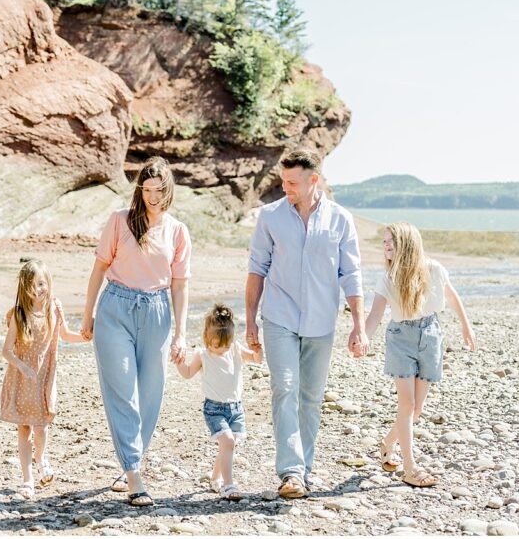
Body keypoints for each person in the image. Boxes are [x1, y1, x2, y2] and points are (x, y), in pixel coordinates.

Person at [245, 149, 366, 500]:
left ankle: (304, 470)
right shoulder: (270, 217)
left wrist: (358, 325)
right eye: (283, 181)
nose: (285, 188)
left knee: (311, 398)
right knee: (284, 387)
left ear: (314, 180)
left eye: (292, 182)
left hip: (321, 320)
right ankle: (291, 472)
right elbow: (257, 268)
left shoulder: (340, 220)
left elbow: (351, 274)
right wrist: (250, 320)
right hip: (279, 315)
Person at [81, 157, 192, 507]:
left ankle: (131, 458)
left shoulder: (177, 231)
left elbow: (180, 286)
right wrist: (87, 316)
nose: (152, 197)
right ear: (139, 190)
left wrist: (180, 334)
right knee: (123, 392)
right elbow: (98, 271)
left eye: (159, 191)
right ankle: (133, 474)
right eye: (146, 191)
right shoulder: (119, 221)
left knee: (150, 396)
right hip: (115, 309)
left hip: (157, 313)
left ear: (168, 189)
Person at [364, 222, 477, 487]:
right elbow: (376, 315)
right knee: (406, 405)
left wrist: (466, 326)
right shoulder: (388, 278)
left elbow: (452, 296)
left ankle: (387, 443)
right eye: (384, 241)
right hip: (400, 338)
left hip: (431, 335)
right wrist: (363, 337)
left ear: (407, 244)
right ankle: (410, 468)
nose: (385, 246)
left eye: (391, 241)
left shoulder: (434, 269)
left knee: (416, 410)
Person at [0, 259, 87, 498]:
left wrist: (89, 336)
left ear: (48, 282)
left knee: (42, 427)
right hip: (22, 378)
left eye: (41, 283)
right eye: (31, 285)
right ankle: (28, 480)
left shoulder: (54, 308)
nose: (37, 289)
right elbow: (6, 350)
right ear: (23, 287)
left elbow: (67, 335)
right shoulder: (19, 314)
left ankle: (41, 457)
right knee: (24, 428)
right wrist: (23, 367)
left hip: (45, 377)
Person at [175, 304, 263, 500]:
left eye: (225, 344)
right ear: (207, 337)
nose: (221, 348)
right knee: (228, 442)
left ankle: (216, 478)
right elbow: (188, 373)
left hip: (236, 408)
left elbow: (257, 360)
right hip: (214, 409)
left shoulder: (235, 349)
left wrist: (257, 349)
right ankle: (229, 485)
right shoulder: (203, 354)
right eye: (216, 344)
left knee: (227, 446)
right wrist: (179, 362)